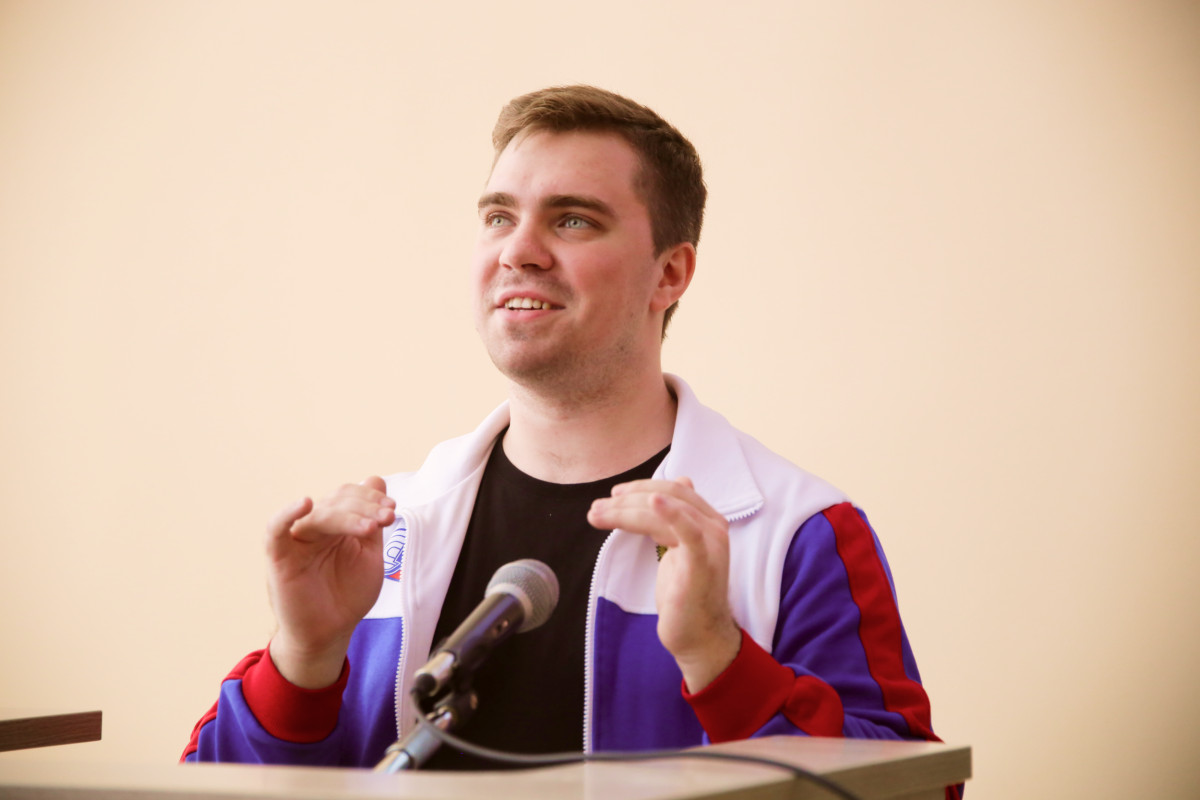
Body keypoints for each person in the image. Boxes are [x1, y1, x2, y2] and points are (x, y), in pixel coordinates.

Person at [182, 85, 941, 768]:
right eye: (498, 217)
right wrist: (303, 658)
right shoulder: (385, 534)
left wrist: (719, 657)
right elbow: (208, 787)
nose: (518, 251)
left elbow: (915, 789)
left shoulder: (798, 533)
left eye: (573, 220)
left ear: (669, 273)